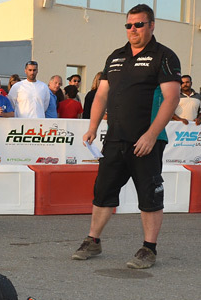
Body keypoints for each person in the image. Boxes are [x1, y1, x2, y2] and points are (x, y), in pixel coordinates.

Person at [73, 4, 181, 269]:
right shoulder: (116, 56)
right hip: (115, 139)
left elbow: (172, 98)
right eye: (129, 25)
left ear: (151, 25)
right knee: (103, 191)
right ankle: (93, 241)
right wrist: (93, 126)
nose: (133, 30)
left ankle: (149, 249)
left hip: (146, 141)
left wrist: (151, 135)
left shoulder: (164, 56)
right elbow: (102, 94)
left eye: (139, 25)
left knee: (150, 194)